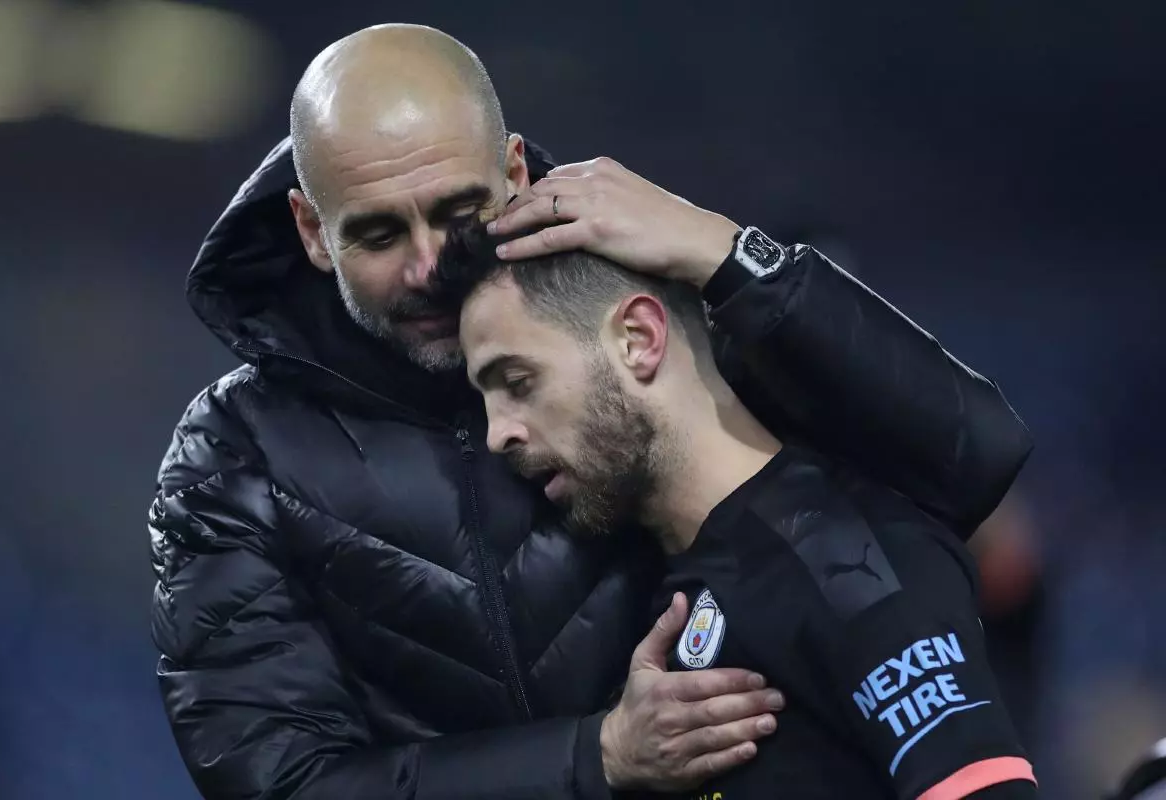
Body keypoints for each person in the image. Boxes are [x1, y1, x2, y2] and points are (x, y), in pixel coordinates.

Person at [149, 22, 1032, 800]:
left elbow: (973, 460)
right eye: (377, 234)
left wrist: (725, 250)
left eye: (459, 213)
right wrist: (592, 759)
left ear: (515, 170)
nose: (426, 268)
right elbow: (280, 783)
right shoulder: (235, 458)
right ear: (311, 229)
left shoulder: (648, 304)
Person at [444, 225, 1038, 798]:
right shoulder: (645, 583)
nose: (498, 434)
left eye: (517, 381)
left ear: (639, 340)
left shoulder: (848, 561)